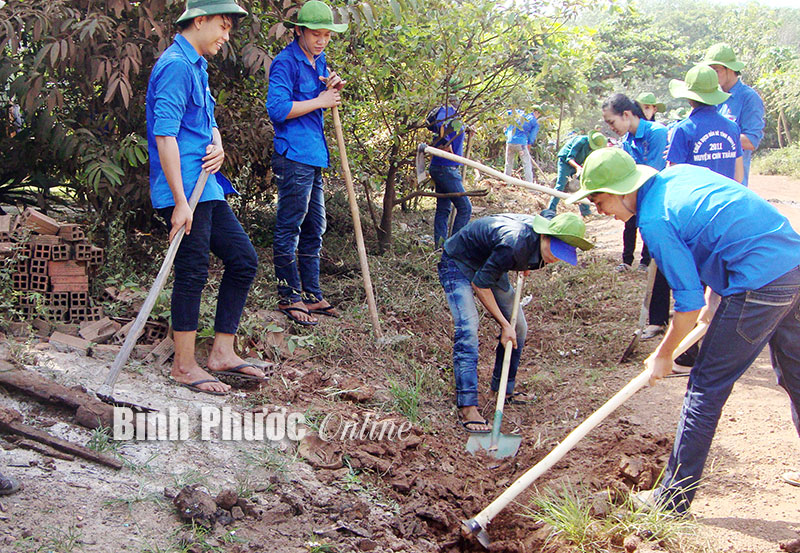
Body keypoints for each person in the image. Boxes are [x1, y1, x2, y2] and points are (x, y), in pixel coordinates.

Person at [567, 147, 800, 514]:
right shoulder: (676, 179)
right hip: (792, 264)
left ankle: (671, 500)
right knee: (796, 375)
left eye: (599, 200)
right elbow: (718, 231)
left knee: (704, 387)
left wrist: (664, 354)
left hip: (760, 282)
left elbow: (685, 306)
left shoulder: (655, 220)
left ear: (622, 190)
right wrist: (712, 304)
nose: (600, 211)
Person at [146, 0, 262, 395]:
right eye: (223, 27)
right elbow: (166, 135)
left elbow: (205, 124)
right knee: (193, 270)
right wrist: (180, 201)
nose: (226, 37)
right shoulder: (176, 66)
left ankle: (222, 353)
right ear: (200, 21)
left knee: (243, 260)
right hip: (183, 189)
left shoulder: (196, 64)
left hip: (207, 185)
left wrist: (219, 145)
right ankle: (183, 365)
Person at [439, 213, 594, 431]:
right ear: (545, 236)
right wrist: (504, 325)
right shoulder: (515, 243)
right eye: (554, 251)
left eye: (563, 254)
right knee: (469, 330)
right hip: (458, 262)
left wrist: (526, 262)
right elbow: (480, 284)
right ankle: (468, 406)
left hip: (490, 262)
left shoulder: (535, 245)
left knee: (519, 328)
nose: (556, 258)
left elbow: (504, 261)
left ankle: (502, 389)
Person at [267, 0, 347, 326]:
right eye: (316, 34)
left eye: (327, 35)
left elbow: (319, 95)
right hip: (294, 154)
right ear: (299, 30)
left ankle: (312, 294)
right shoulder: (285, 63)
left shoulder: (318, 59)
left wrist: (330, 85)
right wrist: (321, 101)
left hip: (314, 153)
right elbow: (277, 109)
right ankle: (289, 295)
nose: (322, 40)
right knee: (290, 226)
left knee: (316, 225)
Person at [602, 93, 669, 341]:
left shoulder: (657, 133)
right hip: (642, 202)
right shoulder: (628, 141)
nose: (611, 128)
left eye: (612, 122)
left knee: (665, 261)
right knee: (658, 265)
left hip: (662, 203)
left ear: (627, 115)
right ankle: (658, 320)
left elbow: (652, 172)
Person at [702, 43, 765, 187]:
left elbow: (751, 141)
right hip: (709, 181)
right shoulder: (710, 98)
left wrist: (713, 136)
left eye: (716, 71)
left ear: (730, 69)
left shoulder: (749, 98)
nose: (712, 76)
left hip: (733, 183)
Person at [666, 64, 743, 182]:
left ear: (689, 98)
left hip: (696, 199)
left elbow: (674, 176)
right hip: (726, 198)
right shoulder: (732, 128)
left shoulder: (683, 129)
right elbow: (738, 176)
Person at [426, 104, 472, 248]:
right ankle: (454, 247)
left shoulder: (454, 114)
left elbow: (451, 128)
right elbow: (440, 124)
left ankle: (441, 247)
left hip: (443, 166)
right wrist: (446, 142)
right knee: (465, 208)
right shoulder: (447, 109)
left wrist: (466, 129)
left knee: (444, 209)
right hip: (445, 168)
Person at [546, 130, 607, 217]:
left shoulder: (593, 149)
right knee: (560, 185)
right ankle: (550, 211)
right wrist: (577, 167)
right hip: (565, 162)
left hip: (578, 163)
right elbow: (569, 158)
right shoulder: (580, 141)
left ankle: (586, 212)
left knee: (582, 186)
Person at [503, 107, 540, 182]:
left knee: (508, 163)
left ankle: (506, 182)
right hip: (521, 143)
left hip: (510, 140)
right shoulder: (535, 122)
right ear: (537, 113)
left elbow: (506, 113)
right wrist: (528, 146)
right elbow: (532, 138)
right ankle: (530, 186)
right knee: (527, 164)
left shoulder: (519, 112)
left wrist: (506, 128)